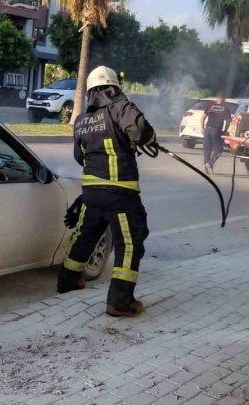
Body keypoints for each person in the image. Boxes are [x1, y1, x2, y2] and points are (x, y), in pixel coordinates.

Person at [58, 66, 156, 318]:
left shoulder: (81, 120)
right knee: (130, 243)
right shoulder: (120, 108)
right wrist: (147, 137)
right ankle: (119, 302)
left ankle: (68, 282)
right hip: (120, 193)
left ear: (91, 92)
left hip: (92, 192)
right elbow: (139, 131)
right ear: (113, 88)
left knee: (84, 235)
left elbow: (79, 156)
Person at [200, 94, 232, 174]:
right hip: (216, 131)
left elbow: (202, 117)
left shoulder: (210, 106)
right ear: (224, 100)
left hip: (207, 130)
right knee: (218, 149)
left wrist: (202, 128)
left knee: (207, 149)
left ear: (216, 99)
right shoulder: (225, 109)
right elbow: (228, 121)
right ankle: (210, 163)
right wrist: (225, 130)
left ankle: (206, 165)